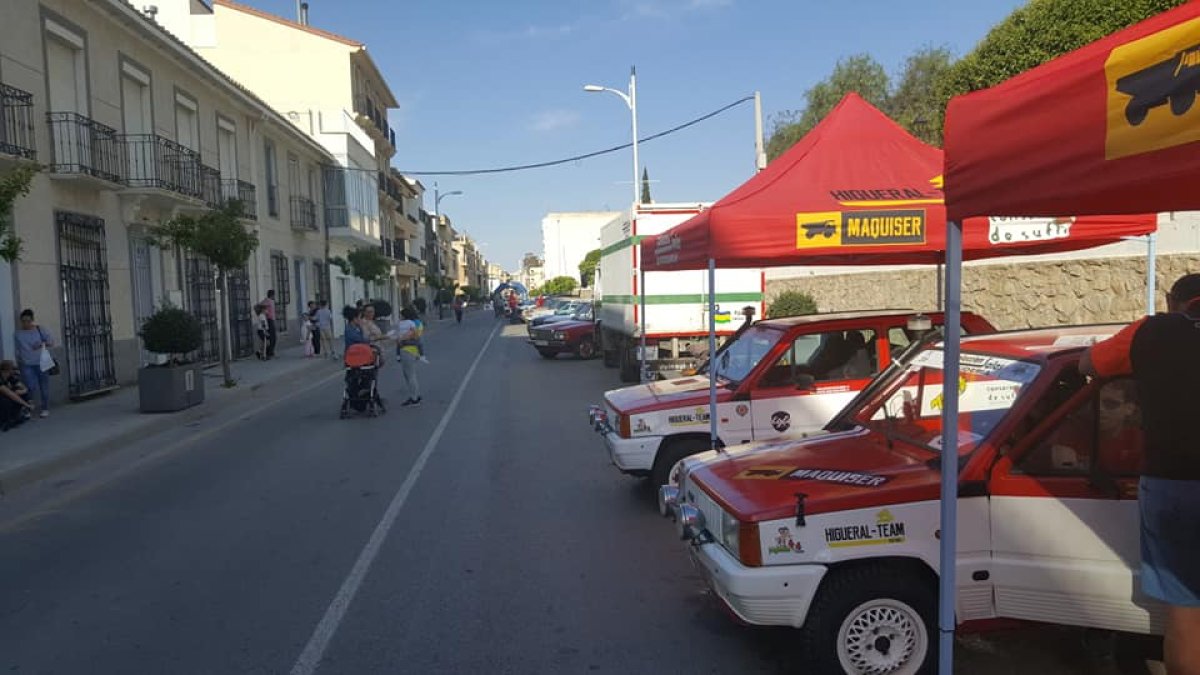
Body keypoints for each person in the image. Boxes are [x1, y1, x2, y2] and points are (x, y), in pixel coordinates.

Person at [1081, 272, 1200, 675]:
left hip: (1172, 483)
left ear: (1173, 301)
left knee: (1186, 611)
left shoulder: (1151, 331)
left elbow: (1087, 363)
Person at [13, 309, 53, 418]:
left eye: (28, 321)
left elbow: (51, 342)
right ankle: (29, 407)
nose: (25, 323)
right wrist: (18, 361)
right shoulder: (18, 334)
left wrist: (41, 344)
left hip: (41, 363)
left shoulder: (40, 330)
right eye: (23, 321)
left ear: (32, 320)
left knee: (43, 386)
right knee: (29, 387)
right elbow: (17, 349)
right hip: (26, 364)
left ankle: (45, 408)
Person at [392, 306, 425, 407]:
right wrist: (420, 352)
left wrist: (399, 350)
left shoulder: (404, 325)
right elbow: (418, 339)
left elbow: (398, 339)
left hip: (406, 350)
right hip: (413, 350)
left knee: (409, 375)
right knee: (410, 374)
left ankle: (414, 398)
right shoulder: (414, 324)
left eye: (401, 315)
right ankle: (415, 395)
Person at [0, 360, 33, 431]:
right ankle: (6, 421)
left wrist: (22, 391)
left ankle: (18, 415)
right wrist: (26, 404)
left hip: (8, 395)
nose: (14, 371)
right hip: (3, 399)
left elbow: (23, 387)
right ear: (7, 370)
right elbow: (9, 394)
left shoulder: (10, 376)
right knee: (6, 401)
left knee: (23, 393)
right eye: (12, 369)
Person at [261, 290, 277, 359]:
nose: (274, 296)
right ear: (271, 295)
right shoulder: (267, 300)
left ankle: (271, 352)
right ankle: (269, 352)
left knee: (273, 337)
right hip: (269, 320)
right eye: (274, 295)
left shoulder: (271, 301)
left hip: (272, 320)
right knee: (272, 337)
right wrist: (266, 312)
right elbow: (260, 306)